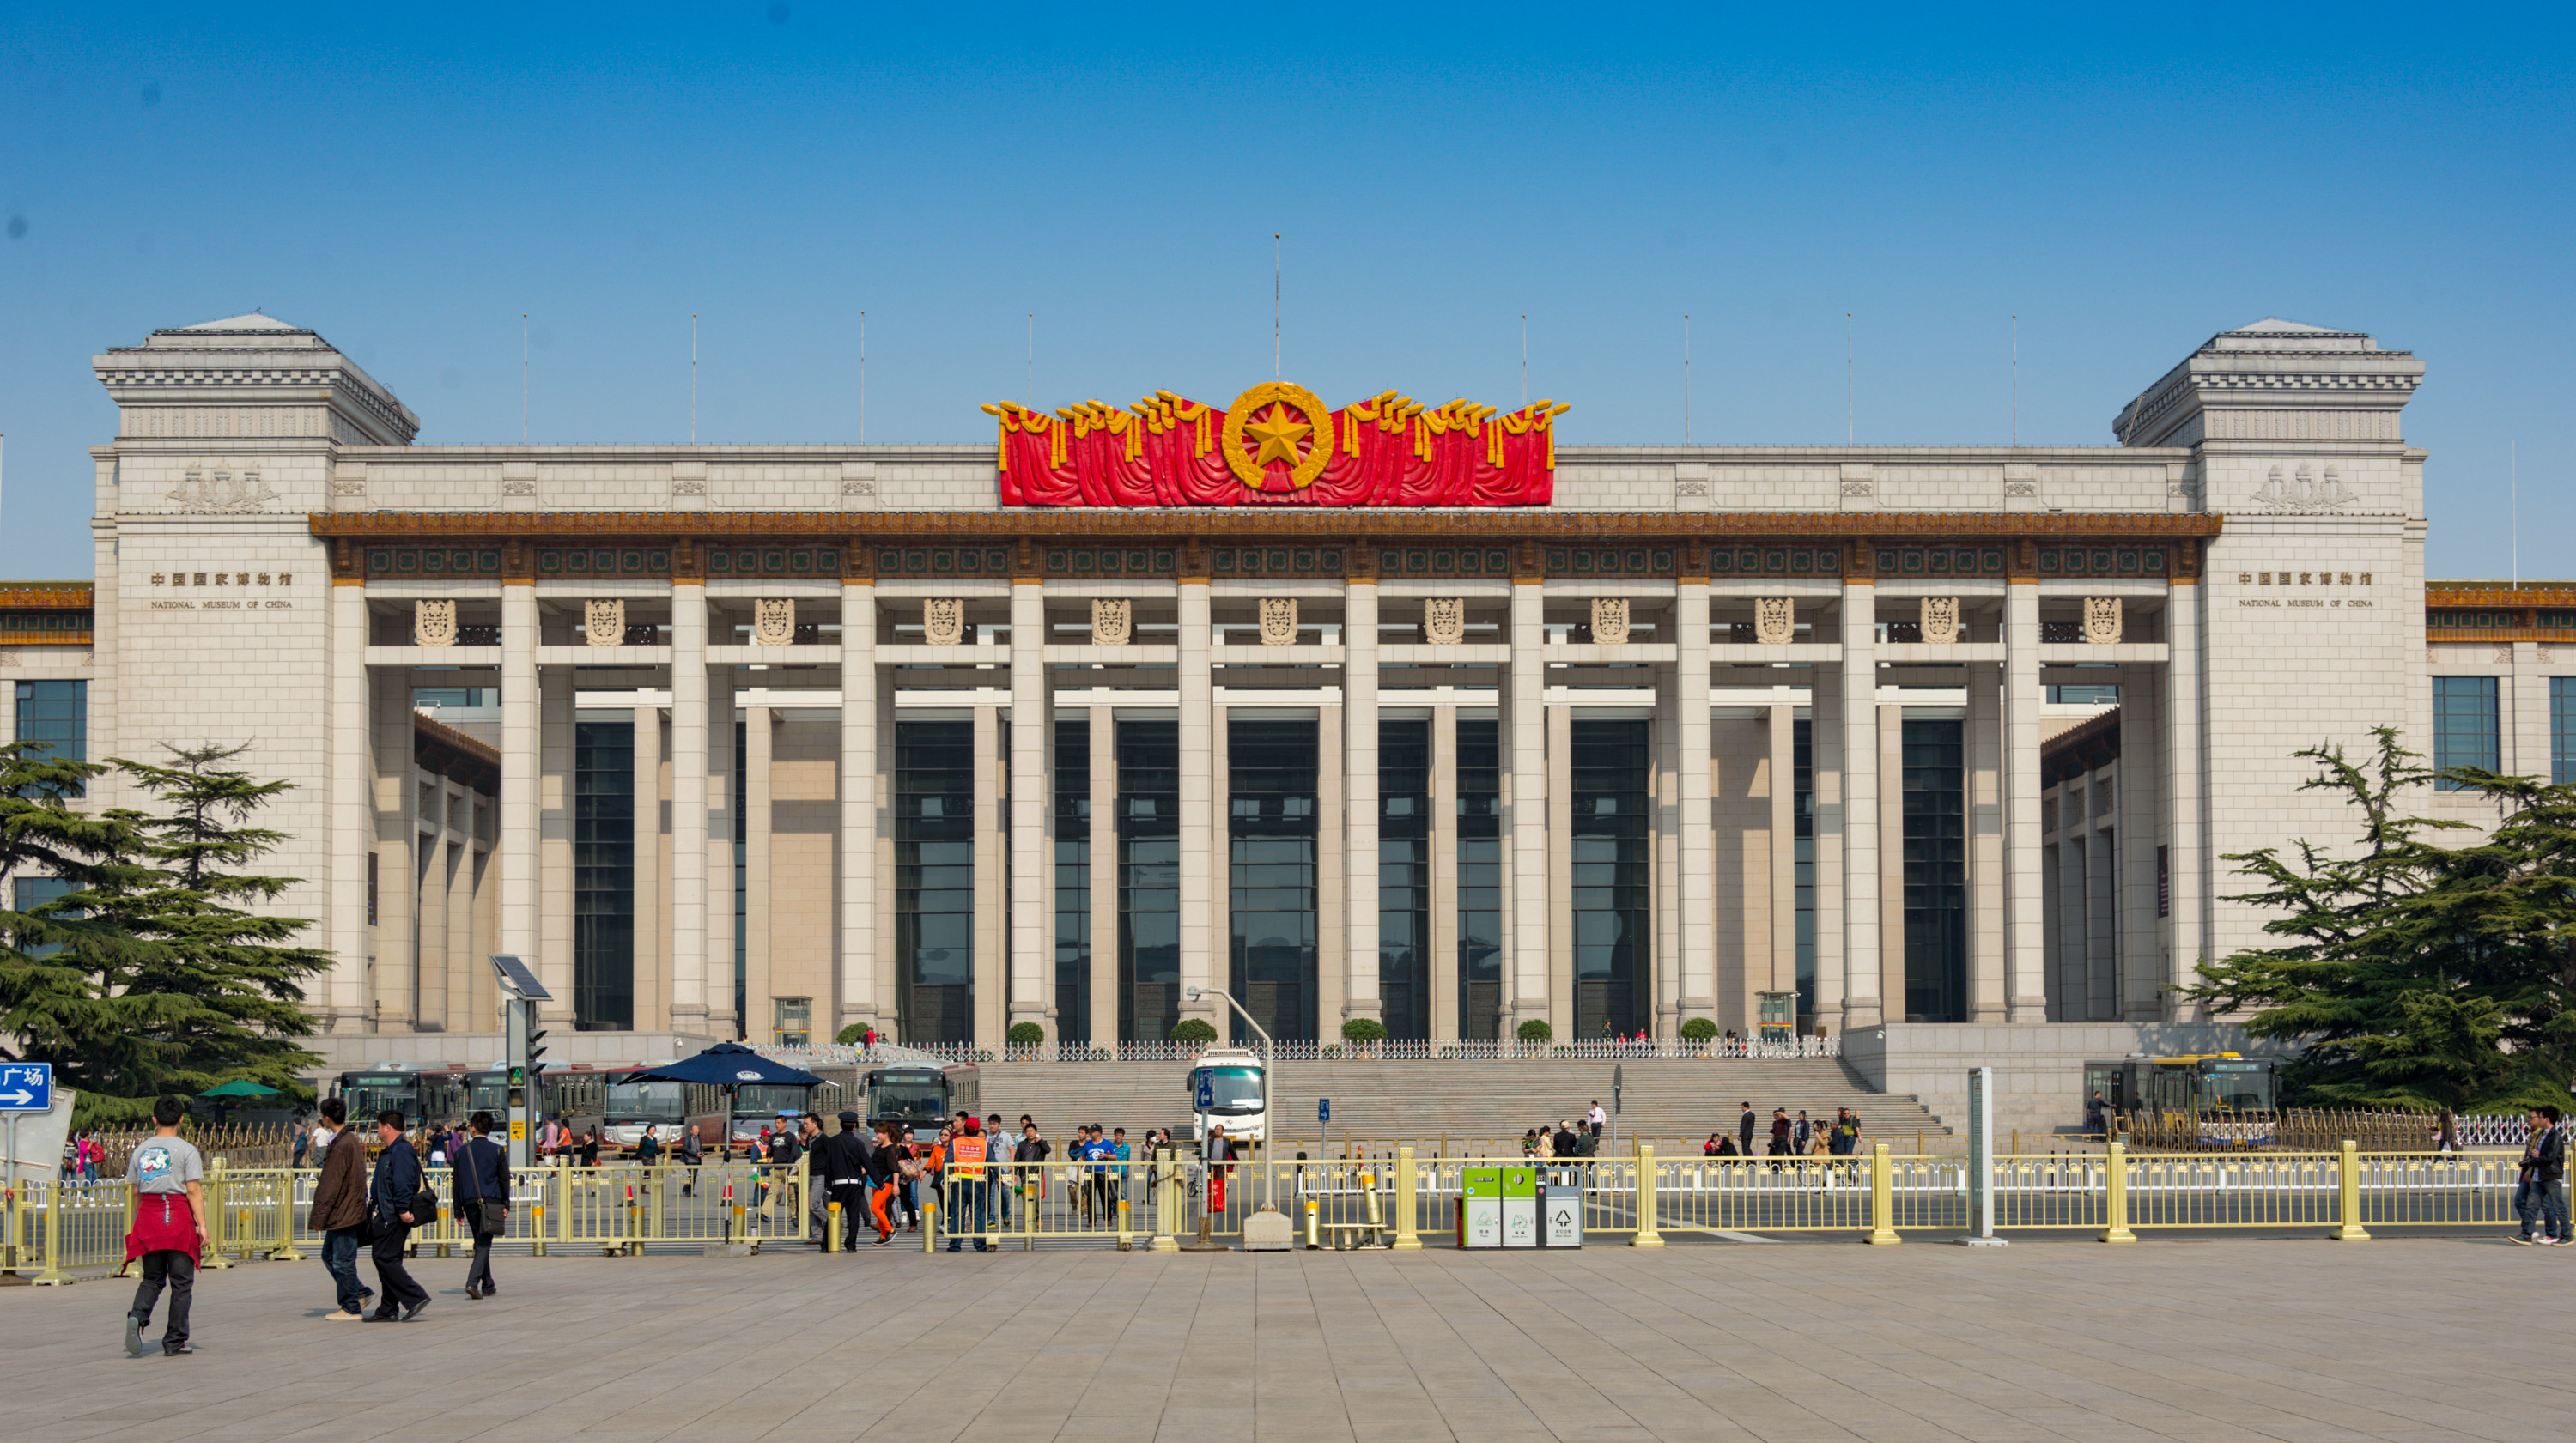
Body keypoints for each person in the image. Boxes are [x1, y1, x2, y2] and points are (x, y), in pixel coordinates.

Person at [119, 1096, 207, 1357]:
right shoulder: (187, 1150)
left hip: (149, 1214)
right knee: (181, 1283)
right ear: (181, 1119)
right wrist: (202, 1225)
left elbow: (135, 1191)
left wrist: (141, 1220)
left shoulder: (141, 1150)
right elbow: (193, 1191)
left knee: (152, 1278)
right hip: (177, 1216)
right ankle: (175, 1341)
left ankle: (137, 1315)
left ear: (154, 1119)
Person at [308, 1096, 372, 1322]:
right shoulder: (347, 1139)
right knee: (329, 1256)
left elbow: (330, 1184)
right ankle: (360, 1293)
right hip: (346, 1209)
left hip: (344, 1211)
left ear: (326, 1118)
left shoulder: (343, 1143)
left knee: (342, 1260)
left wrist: (318, 1217)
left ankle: (351, 1306)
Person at [368, 1109, 432, 1322]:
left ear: (388, 1127)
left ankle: (415, 1297)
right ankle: (387, 1308)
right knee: (391, 1259)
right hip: (387, 1211)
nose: (377, 1130)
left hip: (393, 1214)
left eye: (378, 1126)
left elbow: (403, 1182)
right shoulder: (391, 1150)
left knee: (383, 1258)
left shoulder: (401, 1151)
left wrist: (403, 1210)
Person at [453, 1110, 509, 1299]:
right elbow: (504, 1180)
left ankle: (488, 1284)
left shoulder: (462, 1151)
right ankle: (472, 1283)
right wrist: (505, 1204)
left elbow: (456, 1183)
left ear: (473, 1128)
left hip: (469, 1203)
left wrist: (457, 1210)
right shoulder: (497, 1150)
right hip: (492, 1203)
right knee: (484, 1243)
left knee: (480, 1242)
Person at [2512, 1105, 2566, 1245]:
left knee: (2557, 1207)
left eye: (2538, 1117)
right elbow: (2539, 1153)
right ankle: (2527, 1235)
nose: (2531, 1119)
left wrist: (2532, 1161)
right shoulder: (2543, 1135)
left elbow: (2550, 1157)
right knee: (2531, 1205)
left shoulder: (2554, 1136)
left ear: (2546, 1119)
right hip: (2539, 1175)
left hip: (2550, 1176)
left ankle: (2565, 1235)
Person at [677, 1120, 703, 1196]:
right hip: (689, 1160)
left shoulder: (698, 1139)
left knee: (693, 1176)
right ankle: (688, 1191)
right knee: (693, 1175)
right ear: (691, 1131)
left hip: (697, 1161)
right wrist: (695, 1154)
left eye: (697, 1130)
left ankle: (687, 1189)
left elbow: (700, 1148)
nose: (697, 1131)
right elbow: (685, 1148)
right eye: (695, 1130)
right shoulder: (688, 1138)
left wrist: (702, 1153)